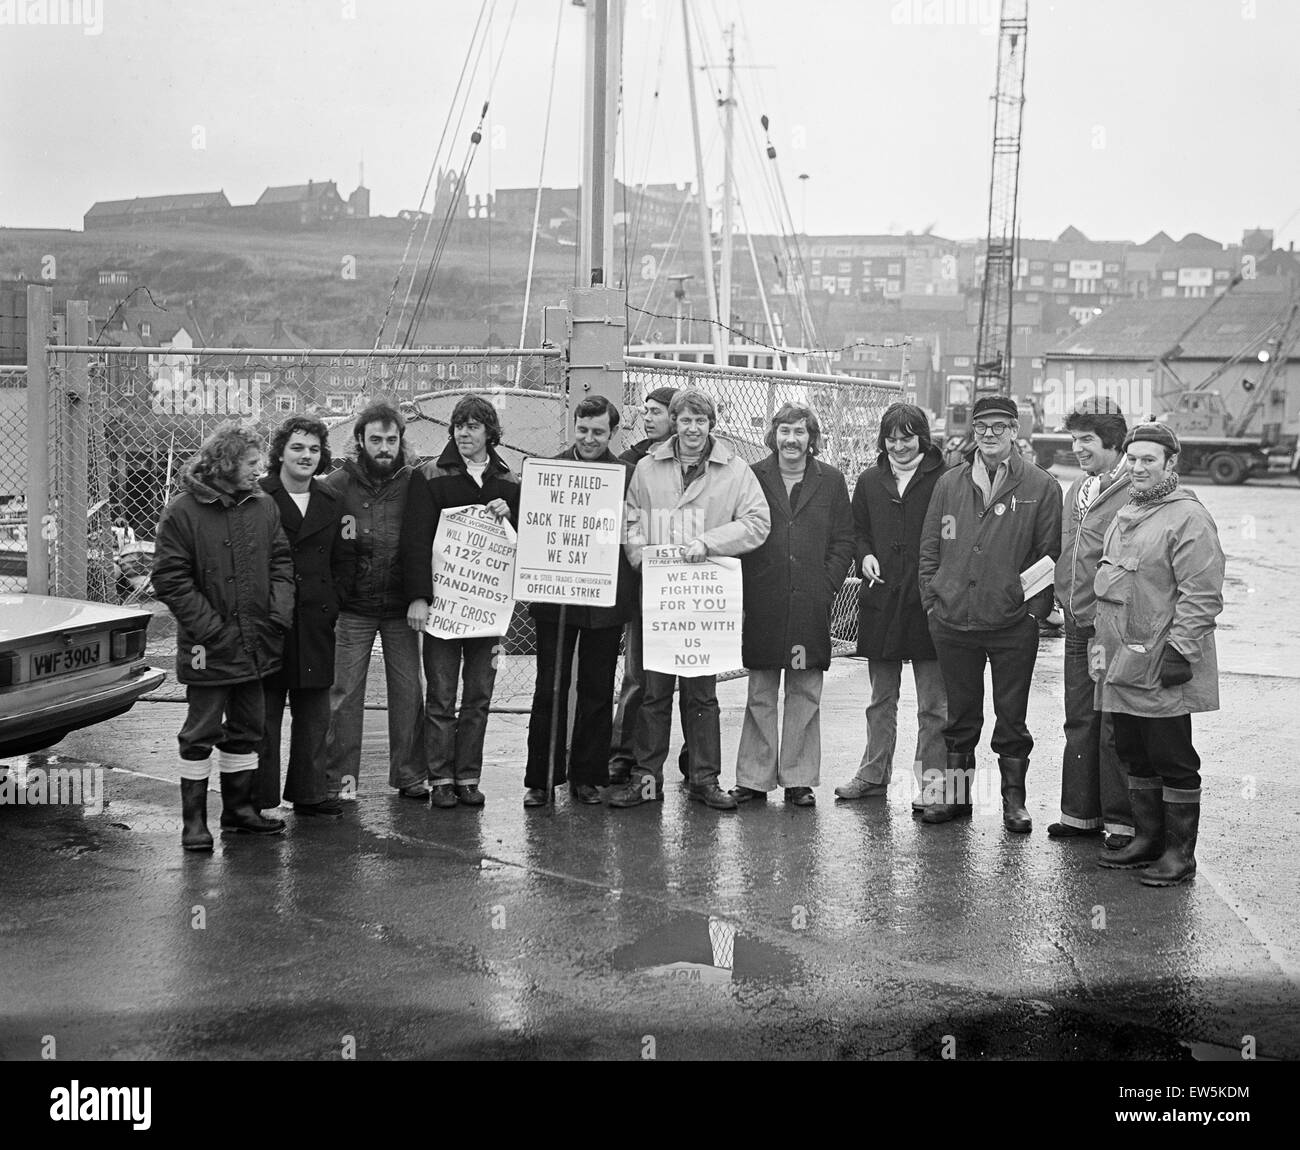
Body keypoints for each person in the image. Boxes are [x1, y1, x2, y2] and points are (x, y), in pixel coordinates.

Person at [609, 388, 771, 811]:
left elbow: (757, 523)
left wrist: (710, 542)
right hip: (658, 598)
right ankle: (647, 782)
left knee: (702, 695)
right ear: (674, 424)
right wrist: (639, 555)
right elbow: (630, 516)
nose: (693, 429)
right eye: (684, 420)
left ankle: (704, 779)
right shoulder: (646, 468)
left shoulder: (735, 472)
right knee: (652, 692)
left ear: (711, 424)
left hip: (704, 602)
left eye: (700, 421)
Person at [918, 394, 1063, 831]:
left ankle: (1013, 803)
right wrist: (934, 598)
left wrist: (1031, 612)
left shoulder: (1040, 487)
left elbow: (1049, 554)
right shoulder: (950, 483)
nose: (990, 435)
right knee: (960, 717)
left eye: (1000, 426)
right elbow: (931, 547)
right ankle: (958, 797)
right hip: (953, 619)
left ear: (1015, 431)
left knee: (1011, 716)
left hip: (1011, 624)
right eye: (982, 427)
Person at [1092, 423, 1224, 886]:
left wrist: (1181, 651)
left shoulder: (1188, 517)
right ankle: (1147, 841)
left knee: (1173, 758)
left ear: (1171, 464)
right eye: (1133, 458)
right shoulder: (1129, 508)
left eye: (1149, 459)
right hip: (1120, 660)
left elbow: (1202, 594)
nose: (1138, 467)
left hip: (1160, 660)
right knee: (1134, 753)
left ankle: (1178, 855)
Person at [152, 422, 295, 850]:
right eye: (252, 463)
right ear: (228, 462)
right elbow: (170, 578)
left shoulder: (263, 505)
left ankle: (239, 812)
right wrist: (211, 629)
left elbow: (281, 561)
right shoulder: (182, 511)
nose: (260, 470)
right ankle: (194, 824)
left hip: (257, 640)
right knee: (199, 733)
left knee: (249, 728)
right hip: (208, 647)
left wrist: (277, 615)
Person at [732, 403, 853, 807]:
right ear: (774, 435)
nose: (791, 439)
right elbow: (741, 530)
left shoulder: (831, 481)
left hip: (809, 603)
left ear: (811, 438)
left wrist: (827, 583)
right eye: (784, 431)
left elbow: (843, 540)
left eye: (799, 432)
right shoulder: (753, 476)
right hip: (764, 599)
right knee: (761, 690)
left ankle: (799, 779)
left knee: (804, 690)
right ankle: (753, 777)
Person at [403, 395, 520, 809]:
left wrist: (512, 514)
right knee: (441, 695)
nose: (464, 433)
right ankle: (441, 779)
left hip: (486, 613)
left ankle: (468, 777)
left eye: (473, 426)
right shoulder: (431, 475)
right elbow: (415, 540)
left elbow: (518, 544)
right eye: (458, 425)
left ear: (490, 432)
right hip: (443, 610)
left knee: (478, 698)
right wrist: (419, 597)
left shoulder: (508, 482)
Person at [523, 396, 637, 807]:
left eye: (599, 432)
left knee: (596, 688)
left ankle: (587, 776)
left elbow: (637, 530)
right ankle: (542, 777)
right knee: (549, 686)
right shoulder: (548, 470)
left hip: (605, 599)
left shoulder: (627, 475)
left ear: (612, 433)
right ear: (574, 427)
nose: (589, 439)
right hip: (555, 594)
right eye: (583, 430)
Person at [836, 403, 947, 813]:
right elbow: (857, 530)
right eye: (891, 438)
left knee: (934, 705)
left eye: (907, 437)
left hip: (927, 602)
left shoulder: (945, 477)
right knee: (881, 697)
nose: (898, 446)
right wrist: (864, 555)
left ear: (922, 437)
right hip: (881, 599)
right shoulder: (868, 480)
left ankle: (933, 786)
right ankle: (872, 773)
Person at [319, 402, 425, 803]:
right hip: (353, 605)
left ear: (401, 442)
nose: (384, 448)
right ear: (360, 440)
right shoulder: (335, 485)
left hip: (401, 603)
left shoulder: (415, 482)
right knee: (344, 692)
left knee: (408, 690)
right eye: (376, 440)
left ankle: (410, 775)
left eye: (391, 440)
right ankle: (339, 780)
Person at [1047, 398, 1135, 849]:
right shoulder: (1076, 489)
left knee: (1113, 722)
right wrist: (1060, 597)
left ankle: (1121, 823)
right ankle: (1079, 814)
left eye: (1087, 440)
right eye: (1074, 439)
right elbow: (1067, 551)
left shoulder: (1132, 488)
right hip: (1077, 623)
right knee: (1079, 718)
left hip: (1113, 628)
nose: (1078, 448)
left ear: (1113, 443)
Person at [253, 416, 351, 819]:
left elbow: (346, 558)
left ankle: (310, 793)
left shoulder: (331, 499)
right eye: (297, 447)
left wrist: (333, 598)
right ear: (280, 451)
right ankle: (257, 801)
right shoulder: (259, 497)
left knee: (314, 711)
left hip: (315, 620)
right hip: (270, 622)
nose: (306, 456)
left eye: (313, 449)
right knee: (264, 714)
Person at [609, 386, 691, 785]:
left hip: (691, 587)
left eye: (656, 411)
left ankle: (694, 758)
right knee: (639, 675)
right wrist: (639, 557)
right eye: (646, 410)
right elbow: (627, 520)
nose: (647, 416)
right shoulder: (632, 462)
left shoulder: (697, 462)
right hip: (646, 586)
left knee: (695, 677)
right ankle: (625, 752)